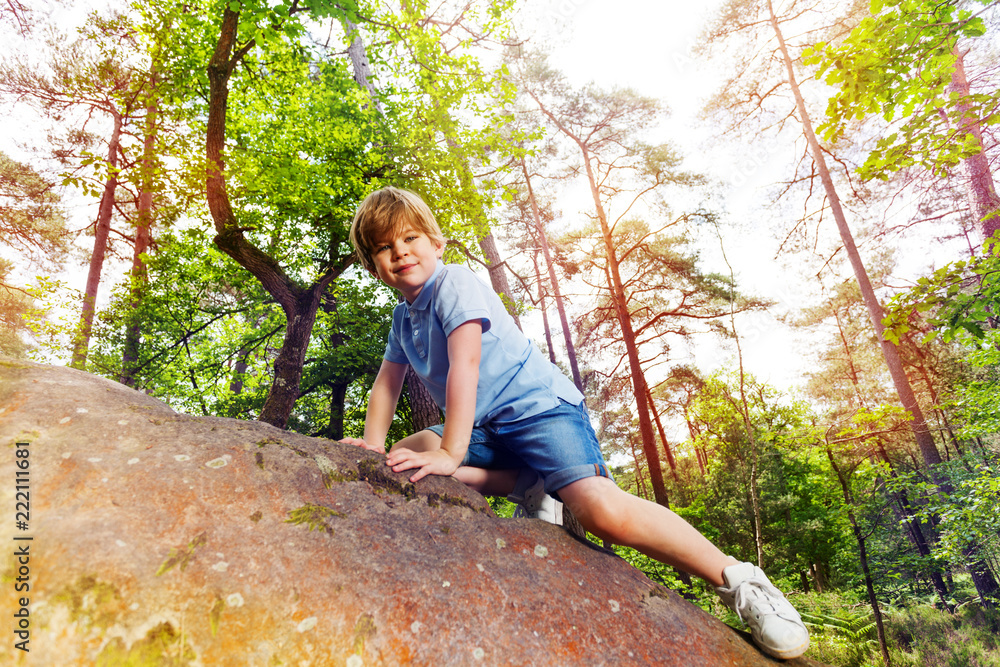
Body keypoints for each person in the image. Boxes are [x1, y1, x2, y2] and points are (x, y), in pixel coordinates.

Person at [340, 186, 810, 660]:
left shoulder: (454, 282)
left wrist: (449, 453)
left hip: (538, 410)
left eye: (410, 238)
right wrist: (373, 446)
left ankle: (741, 581)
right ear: (372, 263)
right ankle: (532, 482)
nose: (399, 251)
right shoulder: (403, 319)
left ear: (437, 244)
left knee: (599, 512)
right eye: (383, 246)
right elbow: (387, 384)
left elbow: (465, 365)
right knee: (407, 455)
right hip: (487, 430)